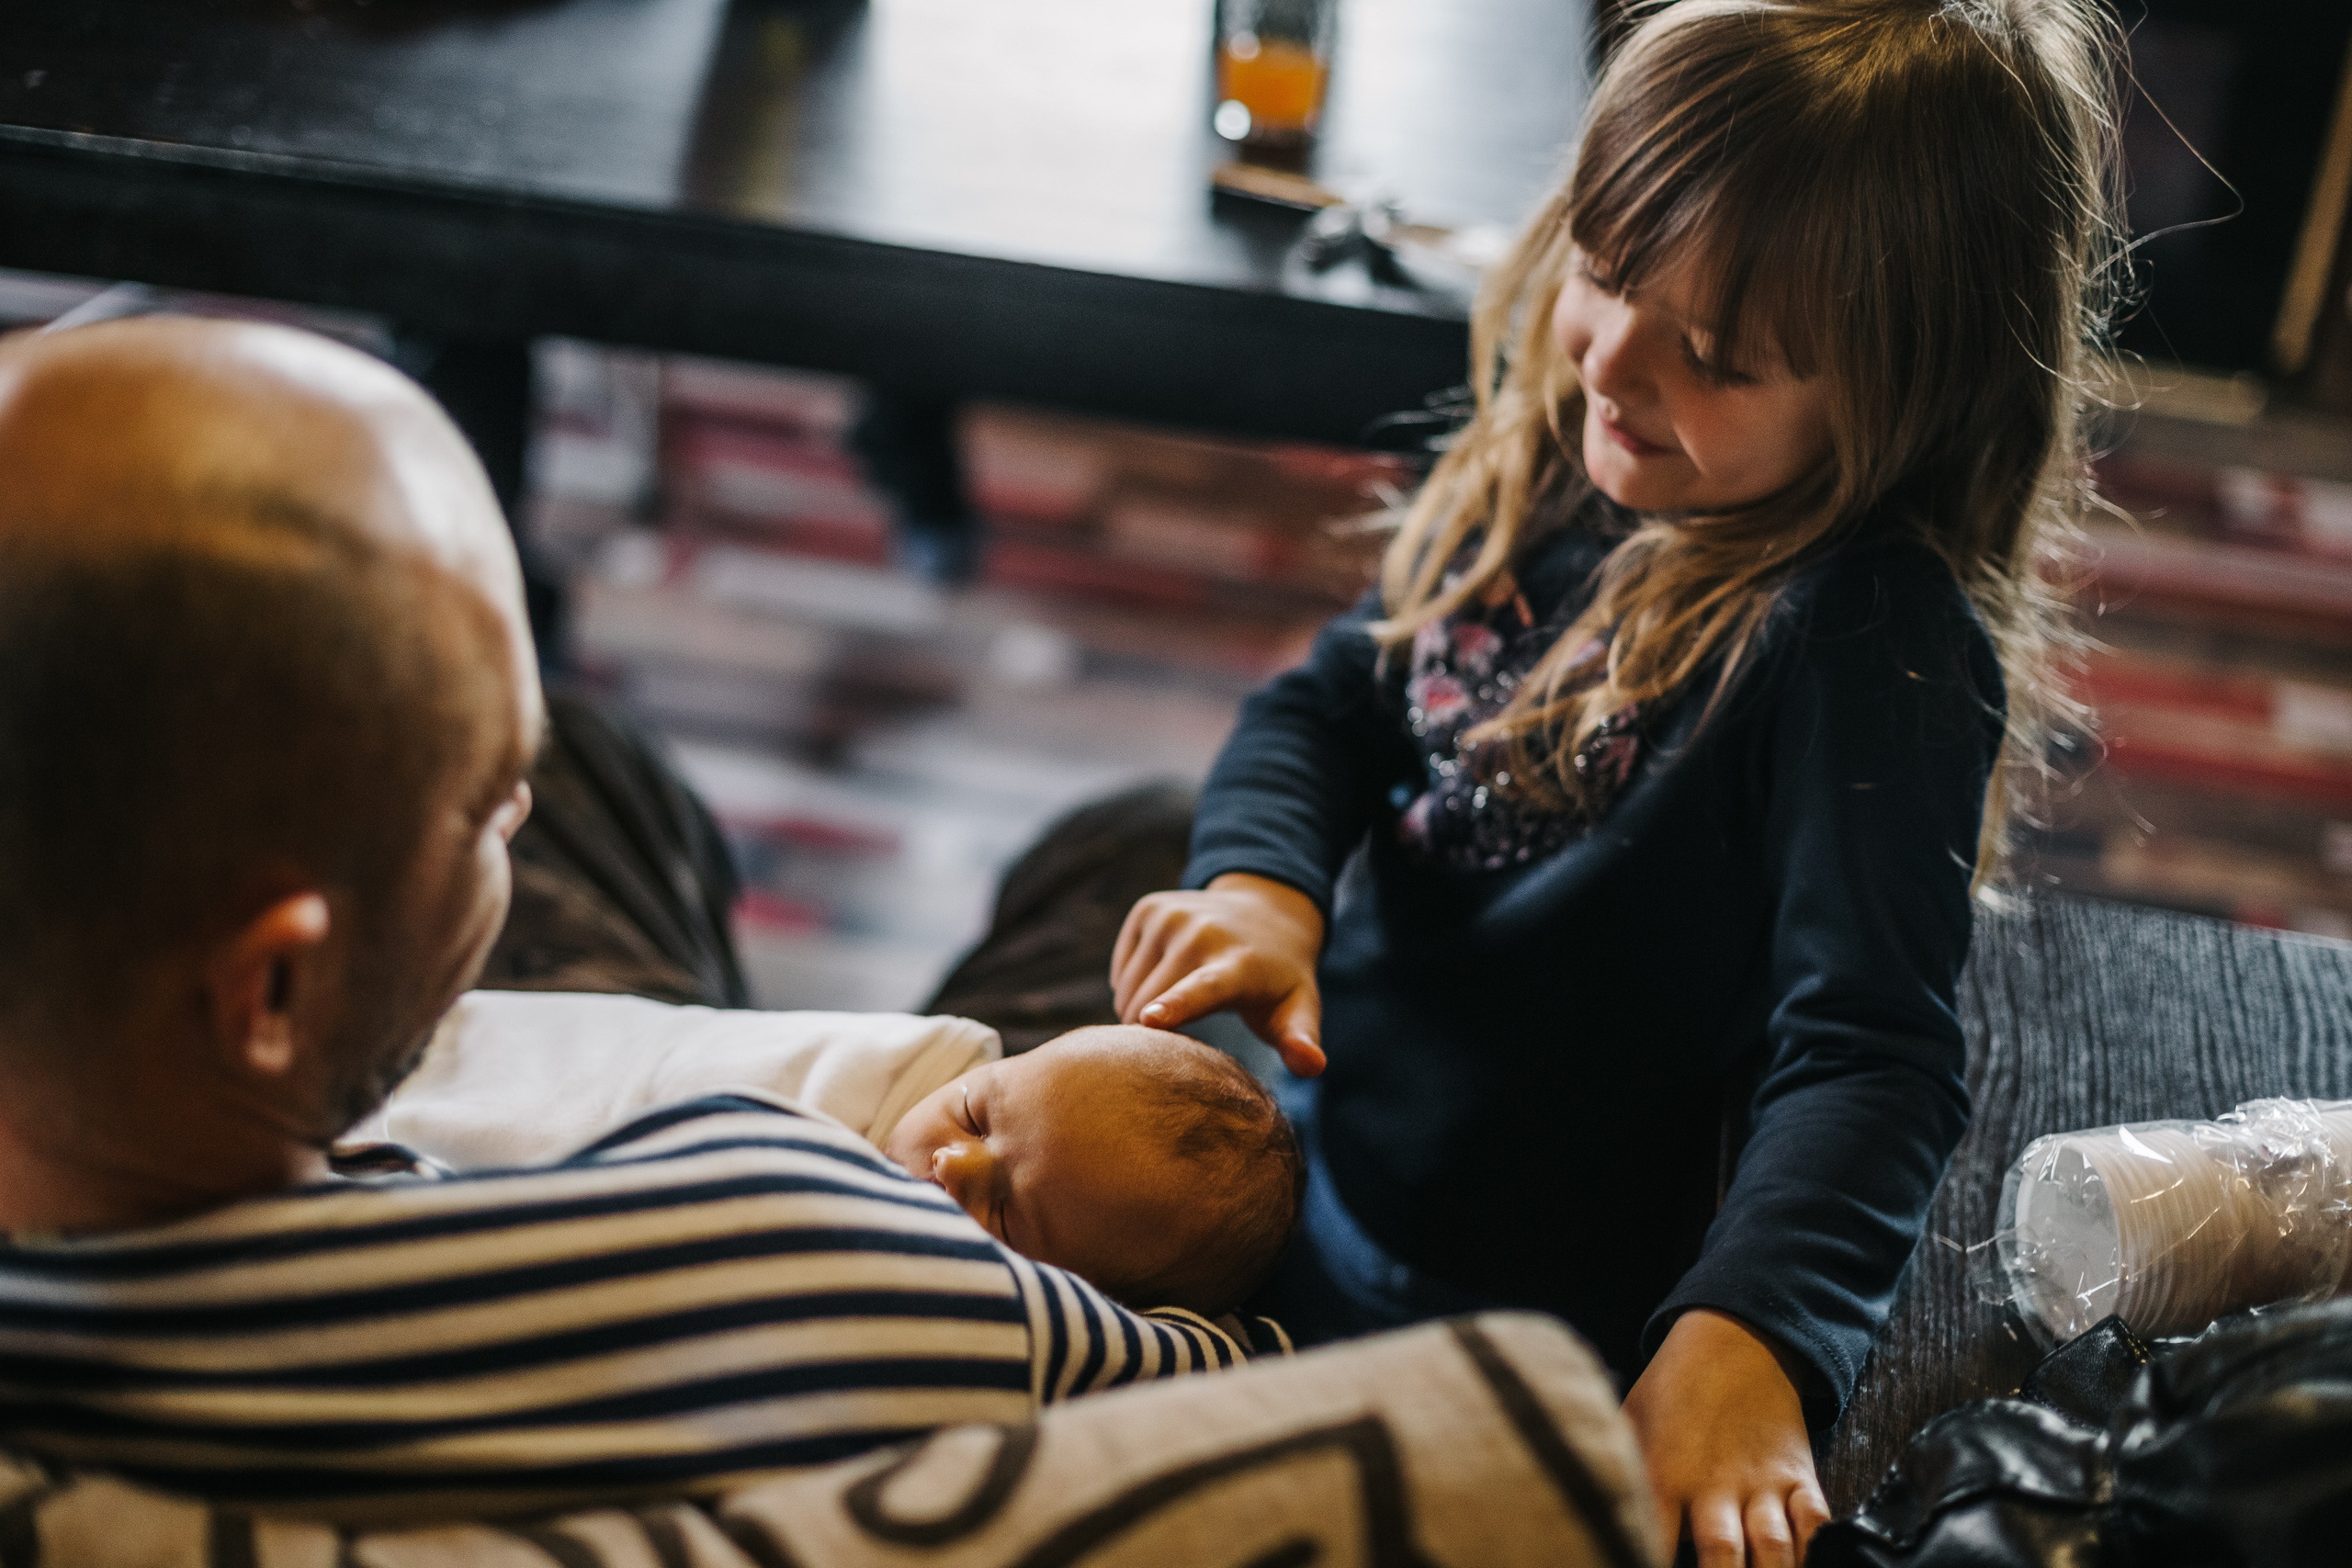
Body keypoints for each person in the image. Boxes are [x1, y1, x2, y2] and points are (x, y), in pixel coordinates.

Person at [1111, 0, 2120, 1562]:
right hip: (1335, 1162)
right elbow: (1331, 700)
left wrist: (1751, 1338)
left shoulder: (1865, 641)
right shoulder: (1589, 465)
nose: (1614, 364)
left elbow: (1871, 1055)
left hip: (1530, 1300)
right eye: (1599, 267)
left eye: (1712, 353)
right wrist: (1262, 881)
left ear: (1904, 389)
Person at [0, 317, 1273, 1526]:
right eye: (478, 802)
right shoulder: (770, 1260)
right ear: (271, 995)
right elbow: (1226, 1378)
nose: (515, 809)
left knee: (602, 757)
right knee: (1151, 840)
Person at [353, 996, 1303, 1315]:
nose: (954, 1167)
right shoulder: (890, 1074)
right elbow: (660, 1070)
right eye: (974, 1114)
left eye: (1009, 1214)